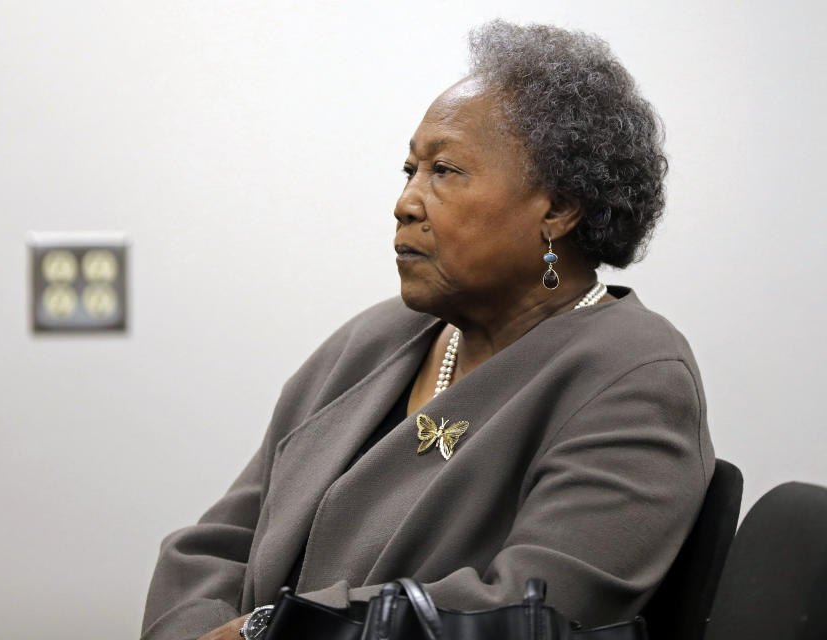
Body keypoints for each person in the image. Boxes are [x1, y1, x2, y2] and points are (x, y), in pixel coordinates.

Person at [141, 21, 714, 640]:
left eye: (444, 170)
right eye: (409, 168)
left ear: (557, 208)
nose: (406, 201)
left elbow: (528, 613)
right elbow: (215, 546)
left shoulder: (634, 377)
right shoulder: (375, 339)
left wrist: (267, 632)